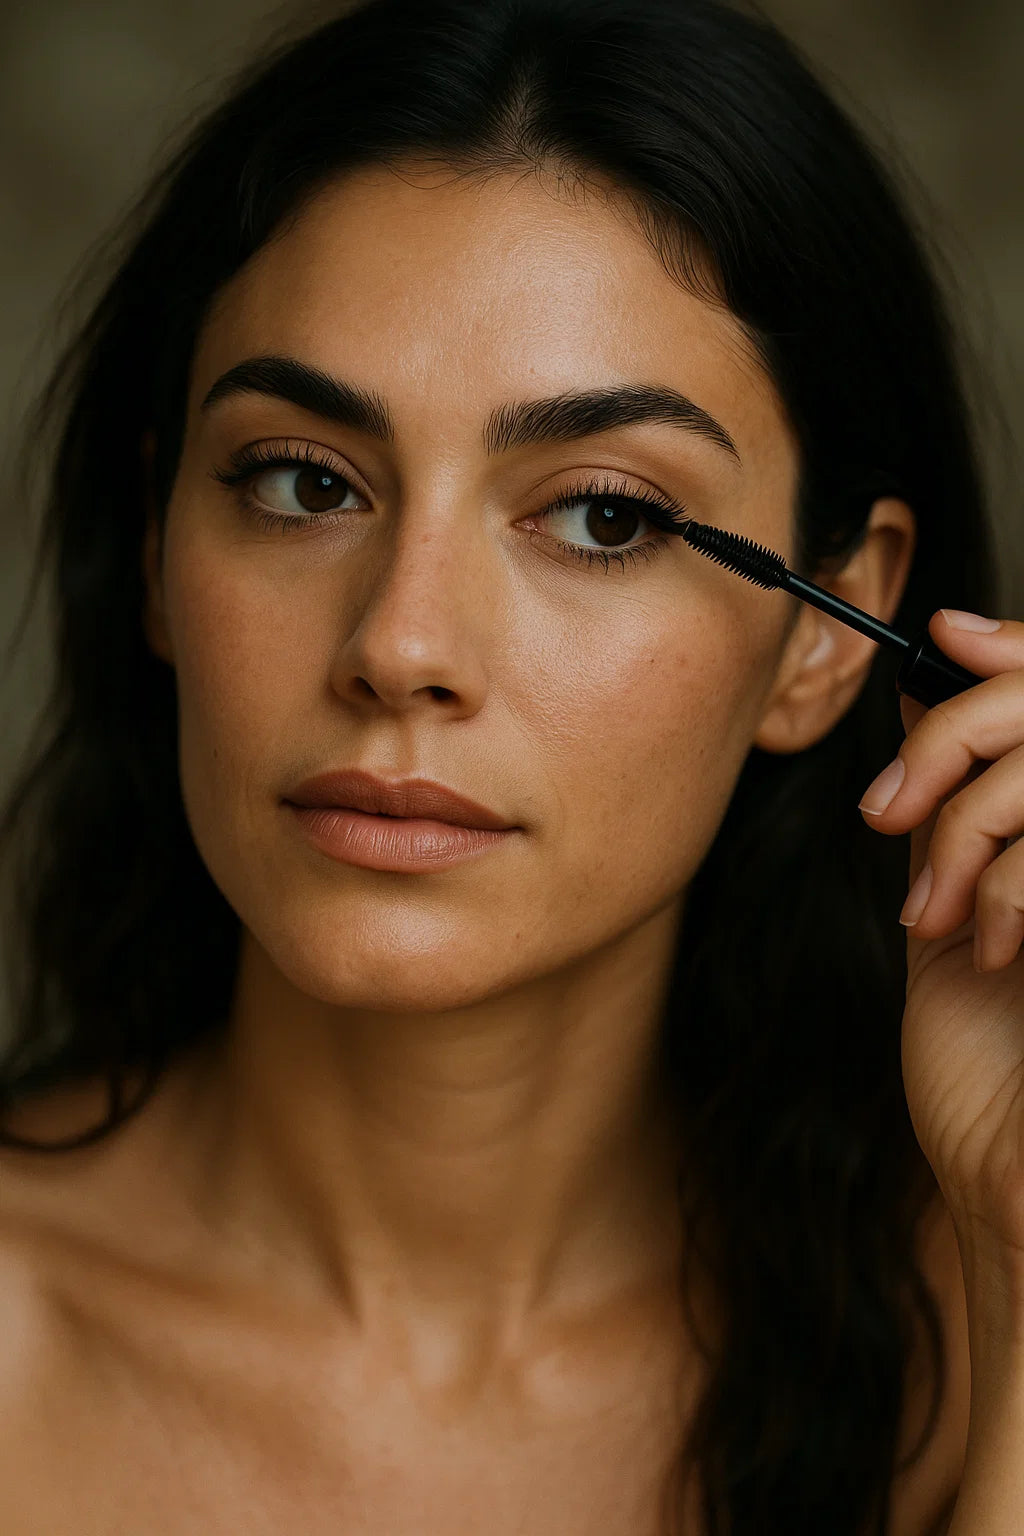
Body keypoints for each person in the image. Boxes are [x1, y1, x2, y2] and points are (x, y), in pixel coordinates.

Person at [3, 0, 1022, 1529]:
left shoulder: (977, 1351)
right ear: (156, 552)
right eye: (302, 481)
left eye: (605, 515)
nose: (402, 643)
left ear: (830, 635)